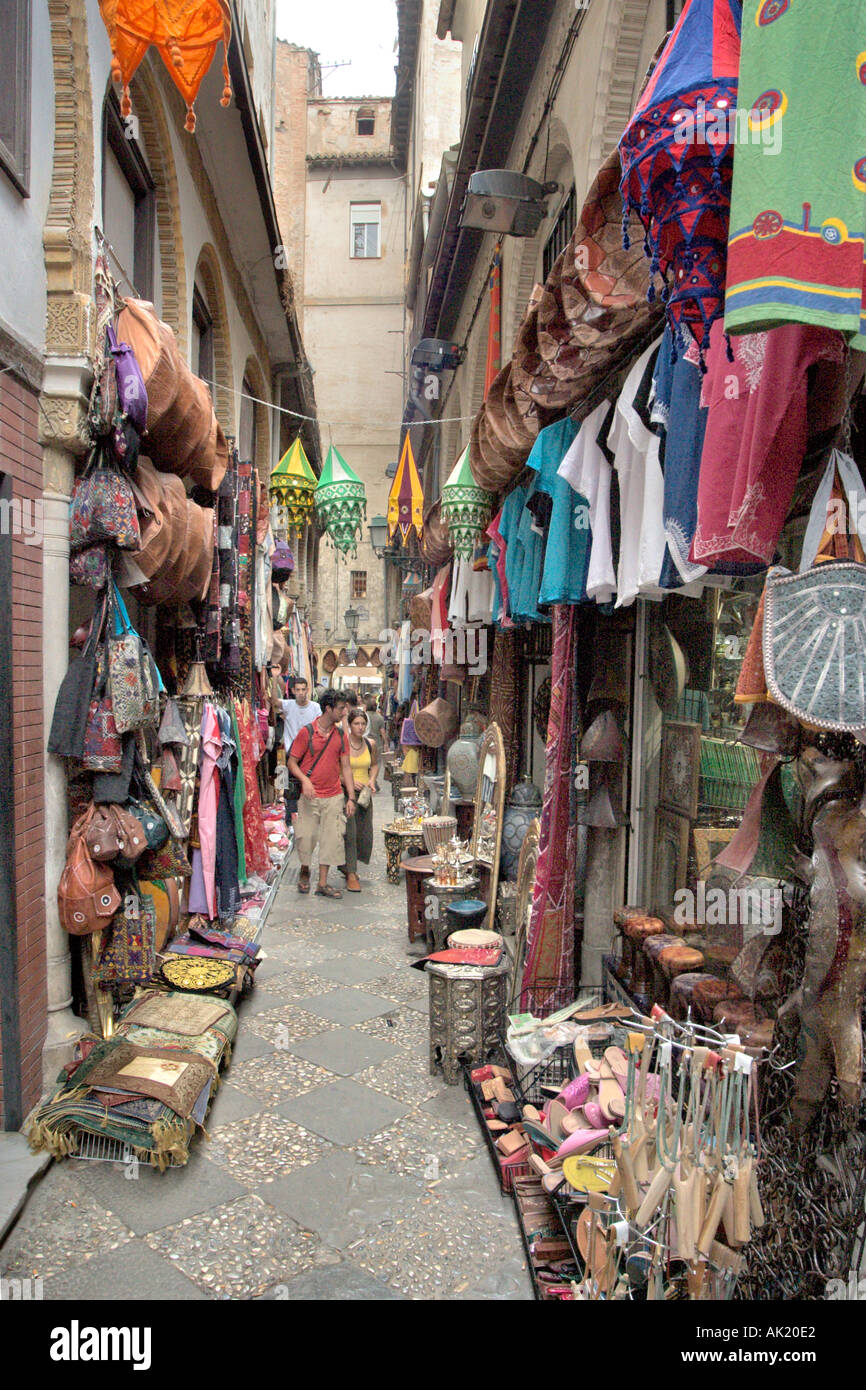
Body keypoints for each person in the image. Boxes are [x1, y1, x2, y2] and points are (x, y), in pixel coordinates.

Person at [288, 689, 355, 898]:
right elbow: (292, 762)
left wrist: (350, 797)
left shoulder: (341, 735)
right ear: (328, 708)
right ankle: (305, 869)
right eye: (341, 708)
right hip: (310, 796)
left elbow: (346, 767)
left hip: (334, 794)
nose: (345, 712)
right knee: (305, 836)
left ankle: (323, 883)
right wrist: (305, 780)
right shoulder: (306, 732)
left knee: (331, 838)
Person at [338, 708, 379, 892]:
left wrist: (371, 780)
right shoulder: (342, 744)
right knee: (350, 833)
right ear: (350, 724)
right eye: (356, 723)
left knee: (365, 834)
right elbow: (334, 771)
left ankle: (347, 865)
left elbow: (375, 764)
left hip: (365, 797)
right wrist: (349, 782)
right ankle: (352, 874)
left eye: (363, 723)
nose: (360, 727)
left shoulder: (370, 744)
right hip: (346, 794)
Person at [281, 677, 320, 825]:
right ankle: (292, 820)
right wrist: (276, 676)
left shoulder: (315, 707)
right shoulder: (289, 705)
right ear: (292, 691)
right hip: (291, 752)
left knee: (309, 784)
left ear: (307, 690)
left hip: (309, 753)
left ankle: (309, 818)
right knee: (292, 787)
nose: (301, 693)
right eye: (298, 690)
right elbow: (273, 701)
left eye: (303, 689)